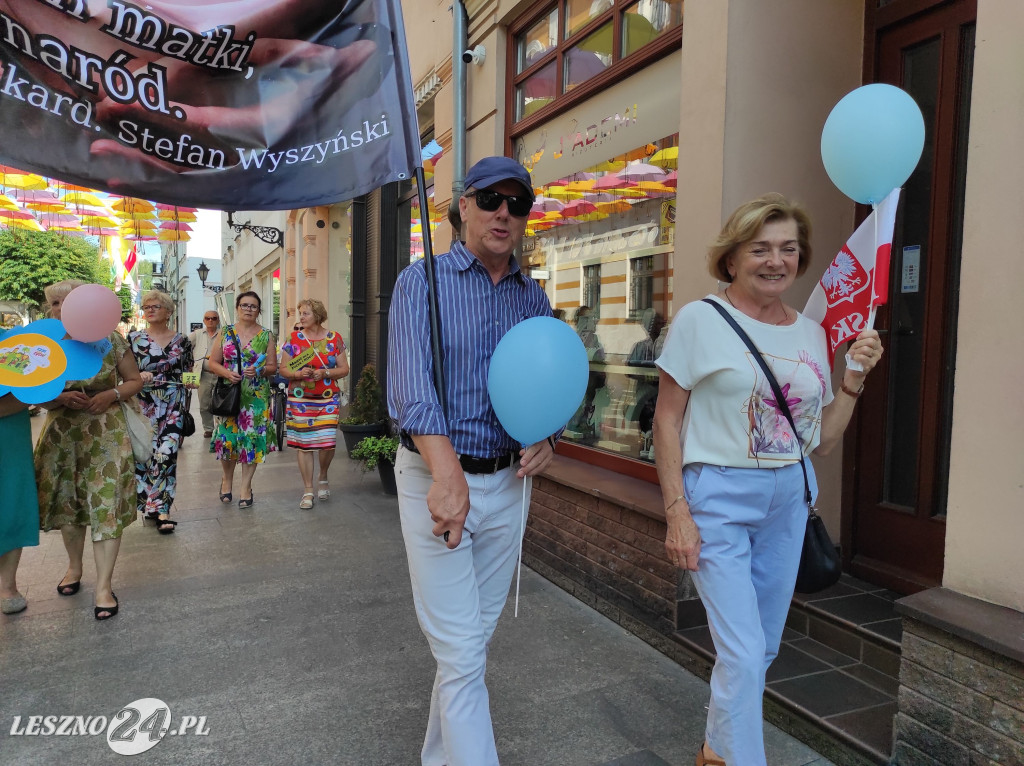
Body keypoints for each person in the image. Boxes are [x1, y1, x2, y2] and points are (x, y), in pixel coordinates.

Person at [652, 194, 884, 766]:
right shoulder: (700, 321)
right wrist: (676, 510)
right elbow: (666, 419)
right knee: (746, 652)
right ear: (732, 258)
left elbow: (822, 439)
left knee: (761, 648)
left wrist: (853, 374)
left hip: (789, 498)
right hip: (718, 499)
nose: (775, 260)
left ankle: (715, 751)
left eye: (788, 249)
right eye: (760, 248)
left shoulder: (809, 333)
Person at [387, 156, 558, 766]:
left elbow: (550, 379)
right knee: (460, 652)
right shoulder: (421, 282)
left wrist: (549, 435)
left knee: (468, 650)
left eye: (518, 204)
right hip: (438, 478)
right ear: (463, 206)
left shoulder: (532, 296)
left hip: (507, 483)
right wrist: (447, 475)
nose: (504, 213)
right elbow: (411, 389)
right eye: (491, 199)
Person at [34, 280, 145, 620]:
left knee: (105, 504)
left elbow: (134, 380)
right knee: (70, 504)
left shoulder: (111, 340)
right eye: (55, 303)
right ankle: (74, 567)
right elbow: (28, 393)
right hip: (62, 434)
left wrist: (109, 395)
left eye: (68, 302)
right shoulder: (44, 345)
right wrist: (59, 398)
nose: (61, 308)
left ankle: (104, 586)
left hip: (106, 433)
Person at [130, 291, 195, 534]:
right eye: (146, 307)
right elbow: (125, 372)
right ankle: (150, 504)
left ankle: (163, 509)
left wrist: (191, 382)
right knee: (146, 455)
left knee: (166, 454)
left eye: (155, 306)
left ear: (168, 311)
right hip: (143, 404)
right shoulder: (134, 339)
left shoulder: (182, 340)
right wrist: (138, 376)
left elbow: (188, 369)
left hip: (172, 405)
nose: (149, 310)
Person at [206, 291, 278, 508]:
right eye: (244, 305)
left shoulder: (266, 335)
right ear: (237, 308)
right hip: (230, 394)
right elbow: (212, 362)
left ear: (259, 310)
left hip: (256, 397)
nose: (248, 309)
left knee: (251, 442)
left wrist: (260, 371)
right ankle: (226, 480)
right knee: (228, 441)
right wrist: (227, 373)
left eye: (253, 306)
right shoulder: (226, 333)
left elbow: (273, 367)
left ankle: (245, 486)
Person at [279, 299, 350, 509]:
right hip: (300, 399)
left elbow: (344, 368)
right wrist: (298, 373)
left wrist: (325, 373)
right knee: (304, 445)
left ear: (317, 315)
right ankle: (308, 489)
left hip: (327, 398)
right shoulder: (294, 339)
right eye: (300, 313)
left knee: (327, 442)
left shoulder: (334, 338)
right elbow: (283, 369)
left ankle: (323, 475)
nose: (301, 317)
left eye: (305, 313)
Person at [0, 391, 40, 615]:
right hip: (11, 414)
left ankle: (8, 586)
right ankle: (8, 588)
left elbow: (30, 387)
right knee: (13, 493)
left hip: (10, 420)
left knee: (13, 495)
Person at [188, 309, 221, 438]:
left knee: (220, 403)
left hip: (220, 374)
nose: (210, 320)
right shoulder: (197, 334)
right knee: (204, 404)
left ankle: (220, 428)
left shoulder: (224, 334)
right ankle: (208, 428)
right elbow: (183, 346)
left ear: (218, 320)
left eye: (213, 318)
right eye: (207, 318)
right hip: (203, 374)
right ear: (204, 320)